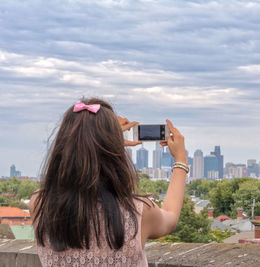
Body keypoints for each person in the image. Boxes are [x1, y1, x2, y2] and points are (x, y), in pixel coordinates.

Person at [29, 98, 188, 266]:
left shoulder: (39, 204)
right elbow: (170, 216)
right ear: (113, 151)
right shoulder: (138, 212)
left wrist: (107, 140)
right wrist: (181, 160)